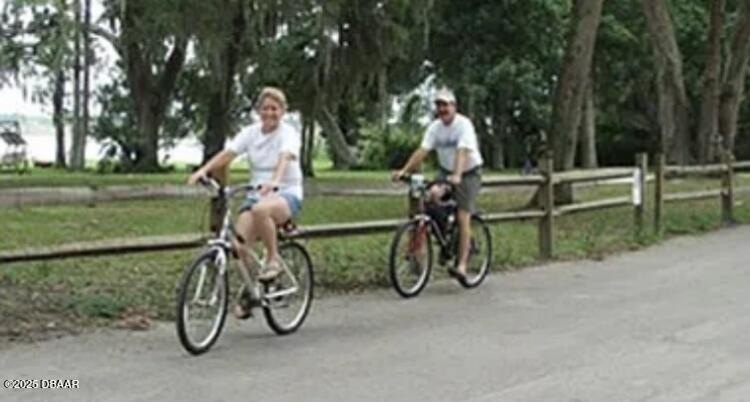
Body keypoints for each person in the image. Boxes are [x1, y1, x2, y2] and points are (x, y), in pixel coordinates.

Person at [188, 87, 303, 318]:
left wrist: (276, 180)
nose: (269, 113)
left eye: (274, 108)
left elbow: (285, 157)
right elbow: (228, 154)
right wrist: (203, 170)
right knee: (239, 246)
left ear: (283, 111)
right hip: (256, 193)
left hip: (285, 193)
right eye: (265, 108)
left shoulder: (288, 133)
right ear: (258, 111)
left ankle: (273, 260)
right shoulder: (250, 133)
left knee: (261, 210)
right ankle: (252, 290)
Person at [393, 88, 483, 282]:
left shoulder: (463, 125)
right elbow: (422, 151)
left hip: (468, 173)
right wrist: (404, 171)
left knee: (463, 216)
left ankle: (462, 265)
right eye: (438, 105)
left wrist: (457, 175)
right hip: (445, 170)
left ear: (454, 106)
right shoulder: (435, 128)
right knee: (430, 196)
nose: (442, 109)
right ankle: (445, 239)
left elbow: (462, 151)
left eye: (445, 105)